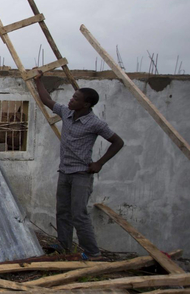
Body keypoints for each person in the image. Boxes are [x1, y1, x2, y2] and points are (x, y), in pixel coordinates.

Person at [34, 70, 124, 259]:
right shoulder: (67, 113)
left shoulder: (94, 123)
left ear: (86, 104)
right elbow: (47, 100)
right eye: (72, 97)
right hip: (64, 172)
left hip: (81, 174)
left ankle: (93, 252)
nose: (71, 100)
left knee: (79, 214)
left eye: (76, 98)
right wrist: (38, 81)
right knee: (63, 211)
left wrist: (99, 163)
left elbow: (118, 142)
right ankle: (63, 245)